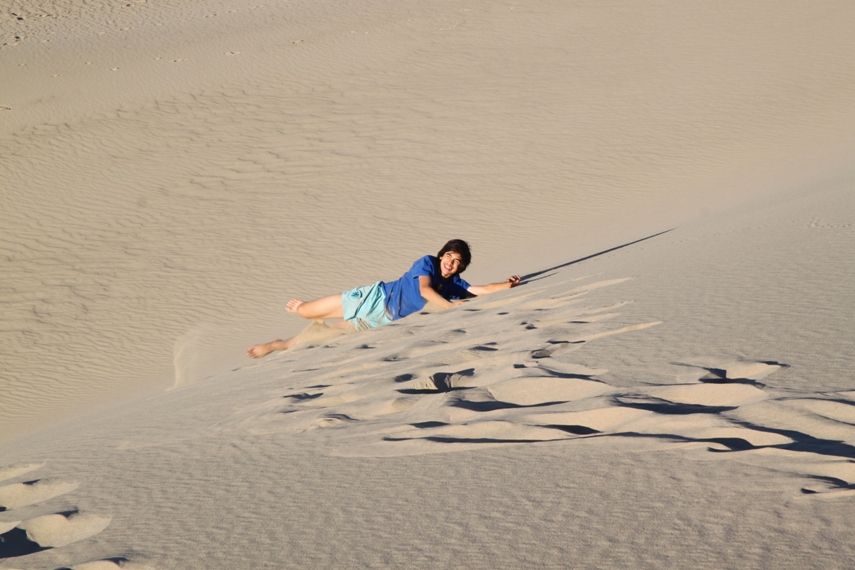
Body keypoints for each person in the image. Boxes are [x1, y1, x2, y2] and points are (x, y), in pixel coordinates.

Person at [247, 239, 520, 358]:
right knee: (306, 311)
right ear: (441, 255)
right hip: (373, 299)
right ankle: (303, 308)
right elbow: (425, 291)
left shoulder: (454, 284)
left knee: (317, 336)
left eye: (457, 261)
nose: (451, 262)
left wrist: (506, 285)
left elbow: (481, 290)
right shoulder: (427, 263)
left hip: (380, 321)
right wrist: (449, 307)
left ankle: (276, 345)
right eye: (449, 256)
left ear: (461, 267)